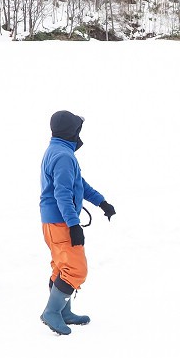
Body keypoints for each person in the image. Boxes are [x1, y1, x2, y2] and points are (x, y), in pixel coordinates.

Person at [39, 110, 116, 335]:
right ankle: (51, 312)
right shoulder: (63, 156)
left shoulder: (58, 151)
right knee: (76, 269)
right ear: (72, 131)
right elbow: (63, 194)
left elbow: (78, 183)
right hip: (61, 221)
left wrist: (101, 202)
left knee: (62, 266)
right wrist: (73, 225)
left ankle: (63, 311)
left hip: (53, 221)